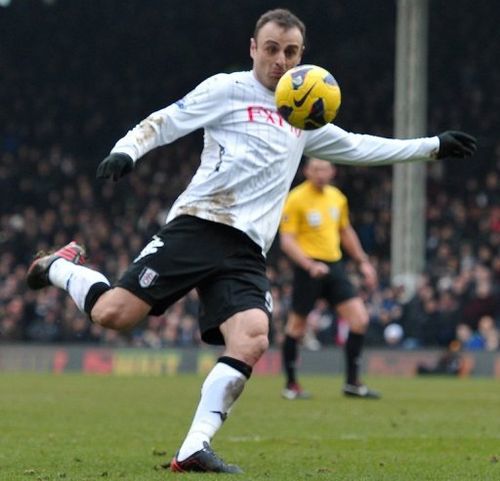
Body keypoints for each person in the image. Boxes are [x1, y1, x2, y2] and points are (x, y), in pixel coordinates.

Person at [26, 8, 477, 474]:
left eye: (291, 52)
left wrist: (432, 146)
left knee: (253, 338)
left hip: (246, 252)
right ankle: (60, 266)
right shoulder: (228, 89)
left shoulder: (304, 115)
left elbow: (362, 147)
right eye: (272, 49)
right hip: (199, 226)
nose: (280, 61)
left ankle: (192, 449)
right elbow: (166, 120)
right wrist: (126, 149)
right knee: (114, 315)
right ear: (253, 49)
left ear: (302, 56)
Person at [280, 157, 380, 400]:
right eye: (315, 169)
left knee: (359, 320)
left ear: (332, 171)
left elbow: (345, 231)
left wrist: (363, 262)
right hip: (308, 268)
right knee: (296, 327)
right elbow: (287, 240)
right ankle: (291, 385)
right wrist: (309, 264)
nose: (320, 173)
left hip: (334, 266)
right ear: (306, 171)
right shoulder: (295, 199)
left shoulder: (337, 197)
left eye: (324, 168)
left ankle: (352, 383)